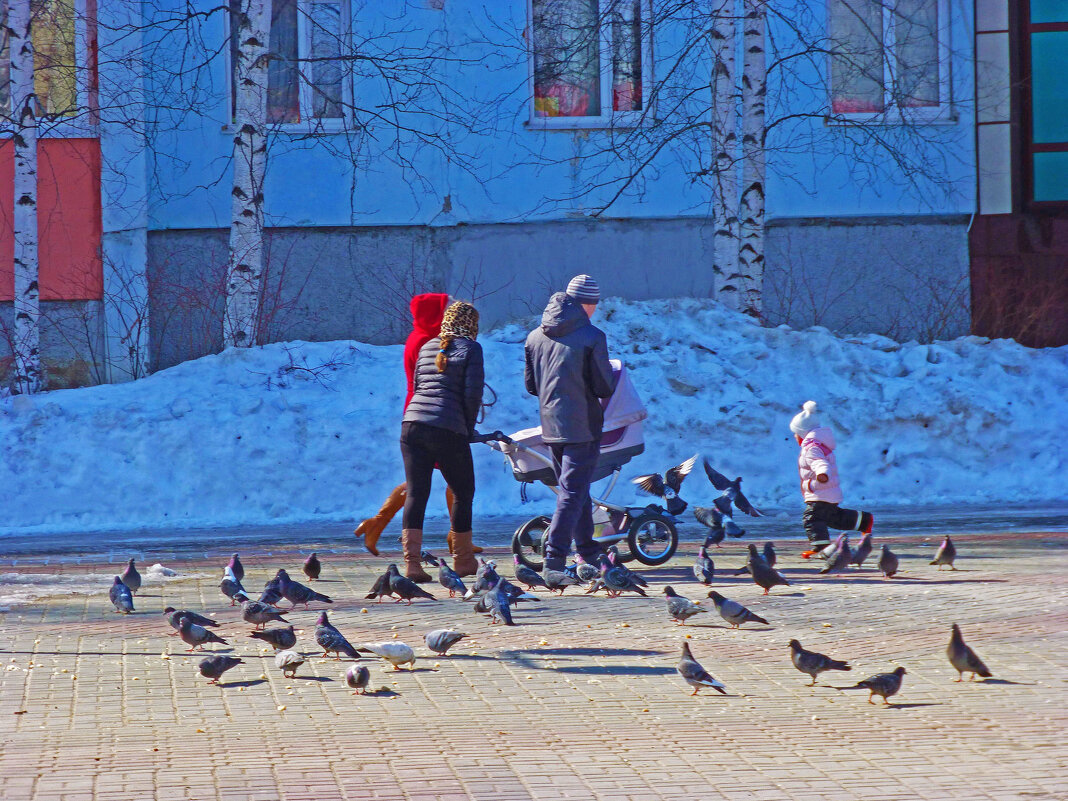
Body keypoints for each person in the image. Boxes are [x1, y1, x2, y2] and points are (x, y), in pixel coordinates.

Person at [354, 292, 482, 557]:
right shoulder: (429, 341)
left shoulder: (422, 338)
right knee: (444, 483)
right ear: (434, 313)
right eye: (445, 308)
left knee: (426, 483)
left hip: (420, 413)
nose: (449, 313)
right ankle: (457, 541)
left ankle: (380, 525)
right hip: (437, 415)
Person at [524, 275, 615, 571]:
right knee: (572, 493)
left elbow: (531, 385)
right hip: (583, 426)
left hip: (551, 427)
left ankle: (588, 551)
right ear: (588, 304)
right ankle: (554, 558)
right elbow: (604, 387)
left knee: (576, 490)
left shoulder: (535, 336)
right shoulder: (592, 336)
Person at [399, 301, 484, 579]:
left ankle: (412, 564)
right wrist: (467, 430)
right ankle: (463, 560)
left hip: (412, 426)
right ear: (472, 325)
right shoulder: (471, 349)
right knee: (463, 491)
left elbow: (418, 387)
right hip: (446, 428)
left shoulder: (427, 346)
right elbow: (472, 396)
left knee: (416, 493)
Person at [789, 400, 874, 558]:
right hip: (828, 492)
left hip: (820, 491)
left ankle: (821, 547)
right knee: (833, 518)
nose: (794, 437)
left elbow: (820, 463)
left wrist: (822, 474)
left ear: (802, 433)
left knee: (811, 518)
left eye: (796, 434)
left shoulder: (811, 448)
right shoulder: (819, 444)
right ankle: (863, 520)